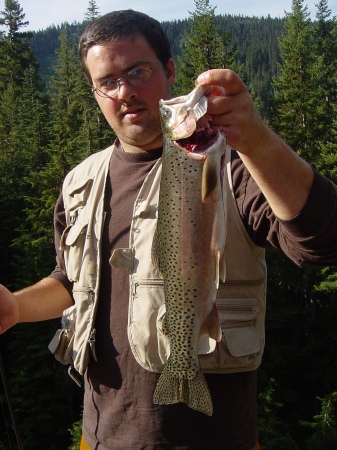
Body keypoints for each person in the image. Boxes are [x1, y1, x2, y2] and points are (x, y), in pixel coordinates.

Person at [1, 9, 337, 450]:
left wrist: (255, 139)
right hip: (100, 439)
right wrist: (15, 308)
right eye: (108, 81)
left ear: (170, 71)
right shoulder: (80, 183)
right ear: (95, 92)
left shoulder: (231, 167)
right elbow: (72, 279)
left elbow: (323, 244)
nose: (126, 92)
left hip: (219, 440)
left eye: (138, 71)